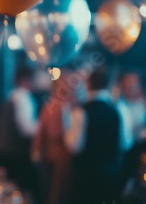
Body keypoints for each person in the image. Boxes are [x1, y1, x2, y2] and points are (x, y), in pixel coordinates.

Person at [64, 68, 130, 204]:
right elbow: (125, 143)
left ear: (88, 84)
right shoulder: (119, 110)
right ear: (109, 84)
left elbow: (74, 147)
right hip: (110, 176)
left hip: (85, 177)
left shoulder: (80, 111)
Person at [32, 70, 86, 204]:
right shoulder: (53, 108)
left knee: (61, 191)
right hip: (55, 157)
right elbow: (45, 132)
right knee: (55, 192)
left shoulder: (69, 108)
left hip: (63, 158)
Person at [0, 66, 39, 201]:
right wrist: (43, 128)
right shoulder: (23, 97)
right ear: (26, 80)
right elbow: (26, 129)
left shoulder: (13, 95)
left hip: (5, 151)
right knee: (19, 194)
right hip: (16, 154)